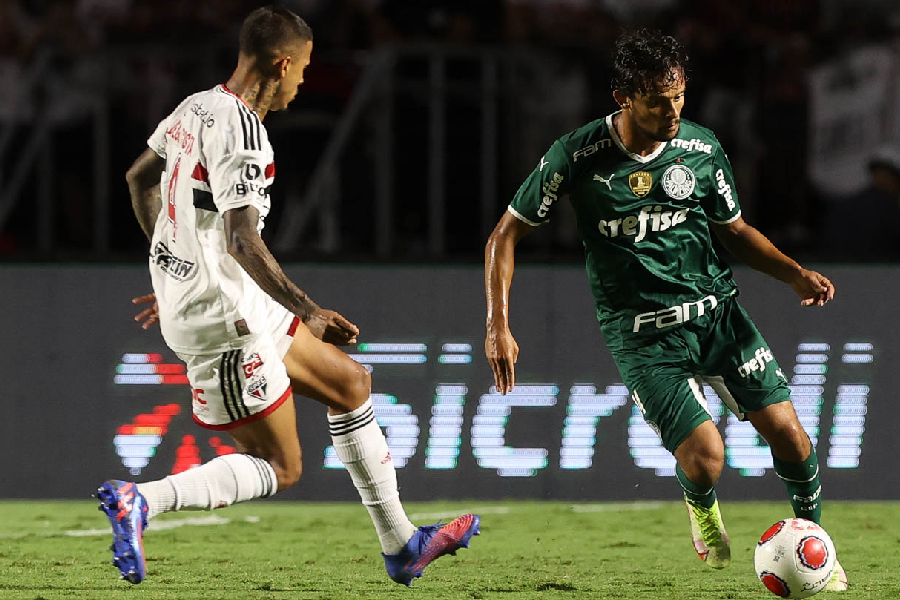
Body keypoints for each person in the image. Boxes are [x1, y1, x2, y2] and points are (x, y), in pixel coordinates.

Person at [99, 5, 479, 586]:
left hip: (226, 299)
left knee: (351, 384)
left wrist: (174, 270)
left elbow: (139, 178)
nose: (304, 79)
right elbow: (242, 239)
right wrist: (308, 308)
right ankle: (142, 499)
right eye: (303, 67)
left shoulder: (195, 106)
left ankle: (403, 545)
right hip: (225, 320)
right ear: (281, 63)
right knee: (282, 466)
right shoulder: (246, 132)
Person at [484, 28, 846, 590]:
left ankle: (815, 545)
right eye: (657, 99)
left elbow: (736, 231)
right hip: (643, 334)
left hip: (717, 316)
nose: (672, 110)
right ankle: (702, 508)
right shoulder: (576, 155)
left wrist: (794, 273)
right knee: (707, 458)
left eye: (678, 95)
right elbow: (504, 235)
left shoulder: (700, 149)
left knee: (793, 439)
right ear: (623, 97)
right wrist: (498, 324)